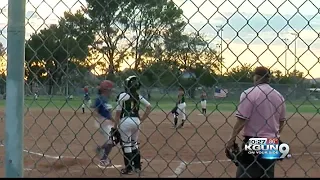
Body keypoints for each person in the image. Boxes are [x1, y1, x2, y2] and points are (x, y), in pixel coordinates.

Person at [225, 66, 286, 178]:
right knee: (267, 174)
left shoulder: (249, 93)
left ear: (256, 77)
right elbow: (281, 122)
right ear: (269, 78)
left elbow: (241, 120)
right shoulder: (279, 96)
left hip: (254, 142)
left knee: (246, 173)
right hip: (272, 143)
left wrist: (231, 139)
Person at [115, 75, 151, 175]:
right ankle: (137, 167)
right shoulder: (138, 96)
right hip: (136, 121)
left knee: (126, 145)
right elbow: (149, 106)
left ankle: (129, 168)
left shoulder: (122, 95)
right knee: (134, 143)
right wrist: (142, 119)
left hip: (125, 121)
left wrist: (115, 126)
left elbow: (118, 113)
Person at [91, 80, 115, 167]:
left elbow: (108, 113)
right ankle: (103, 160)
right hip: (101, 122)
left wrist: (114, 121)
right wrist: (102, 120)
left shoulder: (106, 100)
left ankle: (100, 150)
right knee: (112, 139)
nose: (111, 91)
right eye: (110, 89)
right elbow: (95, 112)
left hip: (107, 122)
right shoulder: (99, 99)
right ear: (105, 89)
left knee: (113, 139)